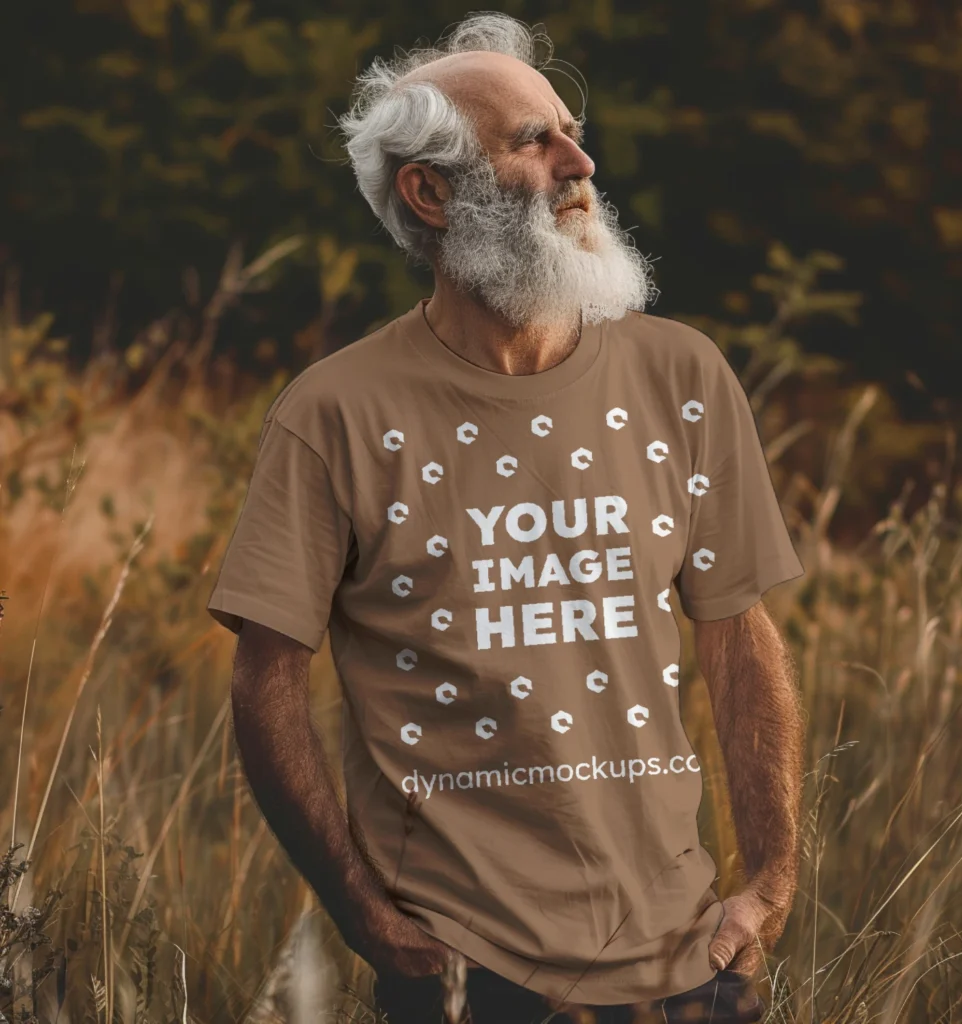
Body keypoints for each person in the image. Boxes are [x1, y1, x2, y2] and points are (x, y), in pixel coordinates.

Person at [207, 12, 806, 1024]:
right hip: (467, 974)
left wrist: (772, 878)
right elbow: (265, 678)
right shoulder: (337, 412)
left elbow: (737, 631)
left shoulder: (682, 374)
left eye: (570, 131)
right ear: (428, 192)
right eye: (533, 140)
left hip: (690, 954)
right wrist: (362, 915)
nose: (580, 161)